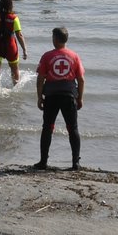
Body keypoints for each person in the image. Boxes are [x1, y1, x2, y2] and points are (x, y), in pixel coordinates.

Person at [33, 26, 85, 171]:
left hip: (51, 96)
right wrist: (80, 98)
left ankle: (43, 161)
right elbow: (81, 79)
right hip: (69, 96)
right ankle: (75, 163)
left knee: (47, 128)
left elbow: (40, 78)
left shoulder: (47, 56)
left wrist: (39, 97)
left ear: (55, 39)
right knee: (72, 128)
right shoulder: (74, 56)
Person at [0, 0, 28, 90]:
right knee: (14, 69)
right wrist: (24, 49)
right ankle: (15, 89)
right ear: (11, 5)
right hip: (10, 45)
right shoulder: (14, 18)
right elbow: (19, 35)